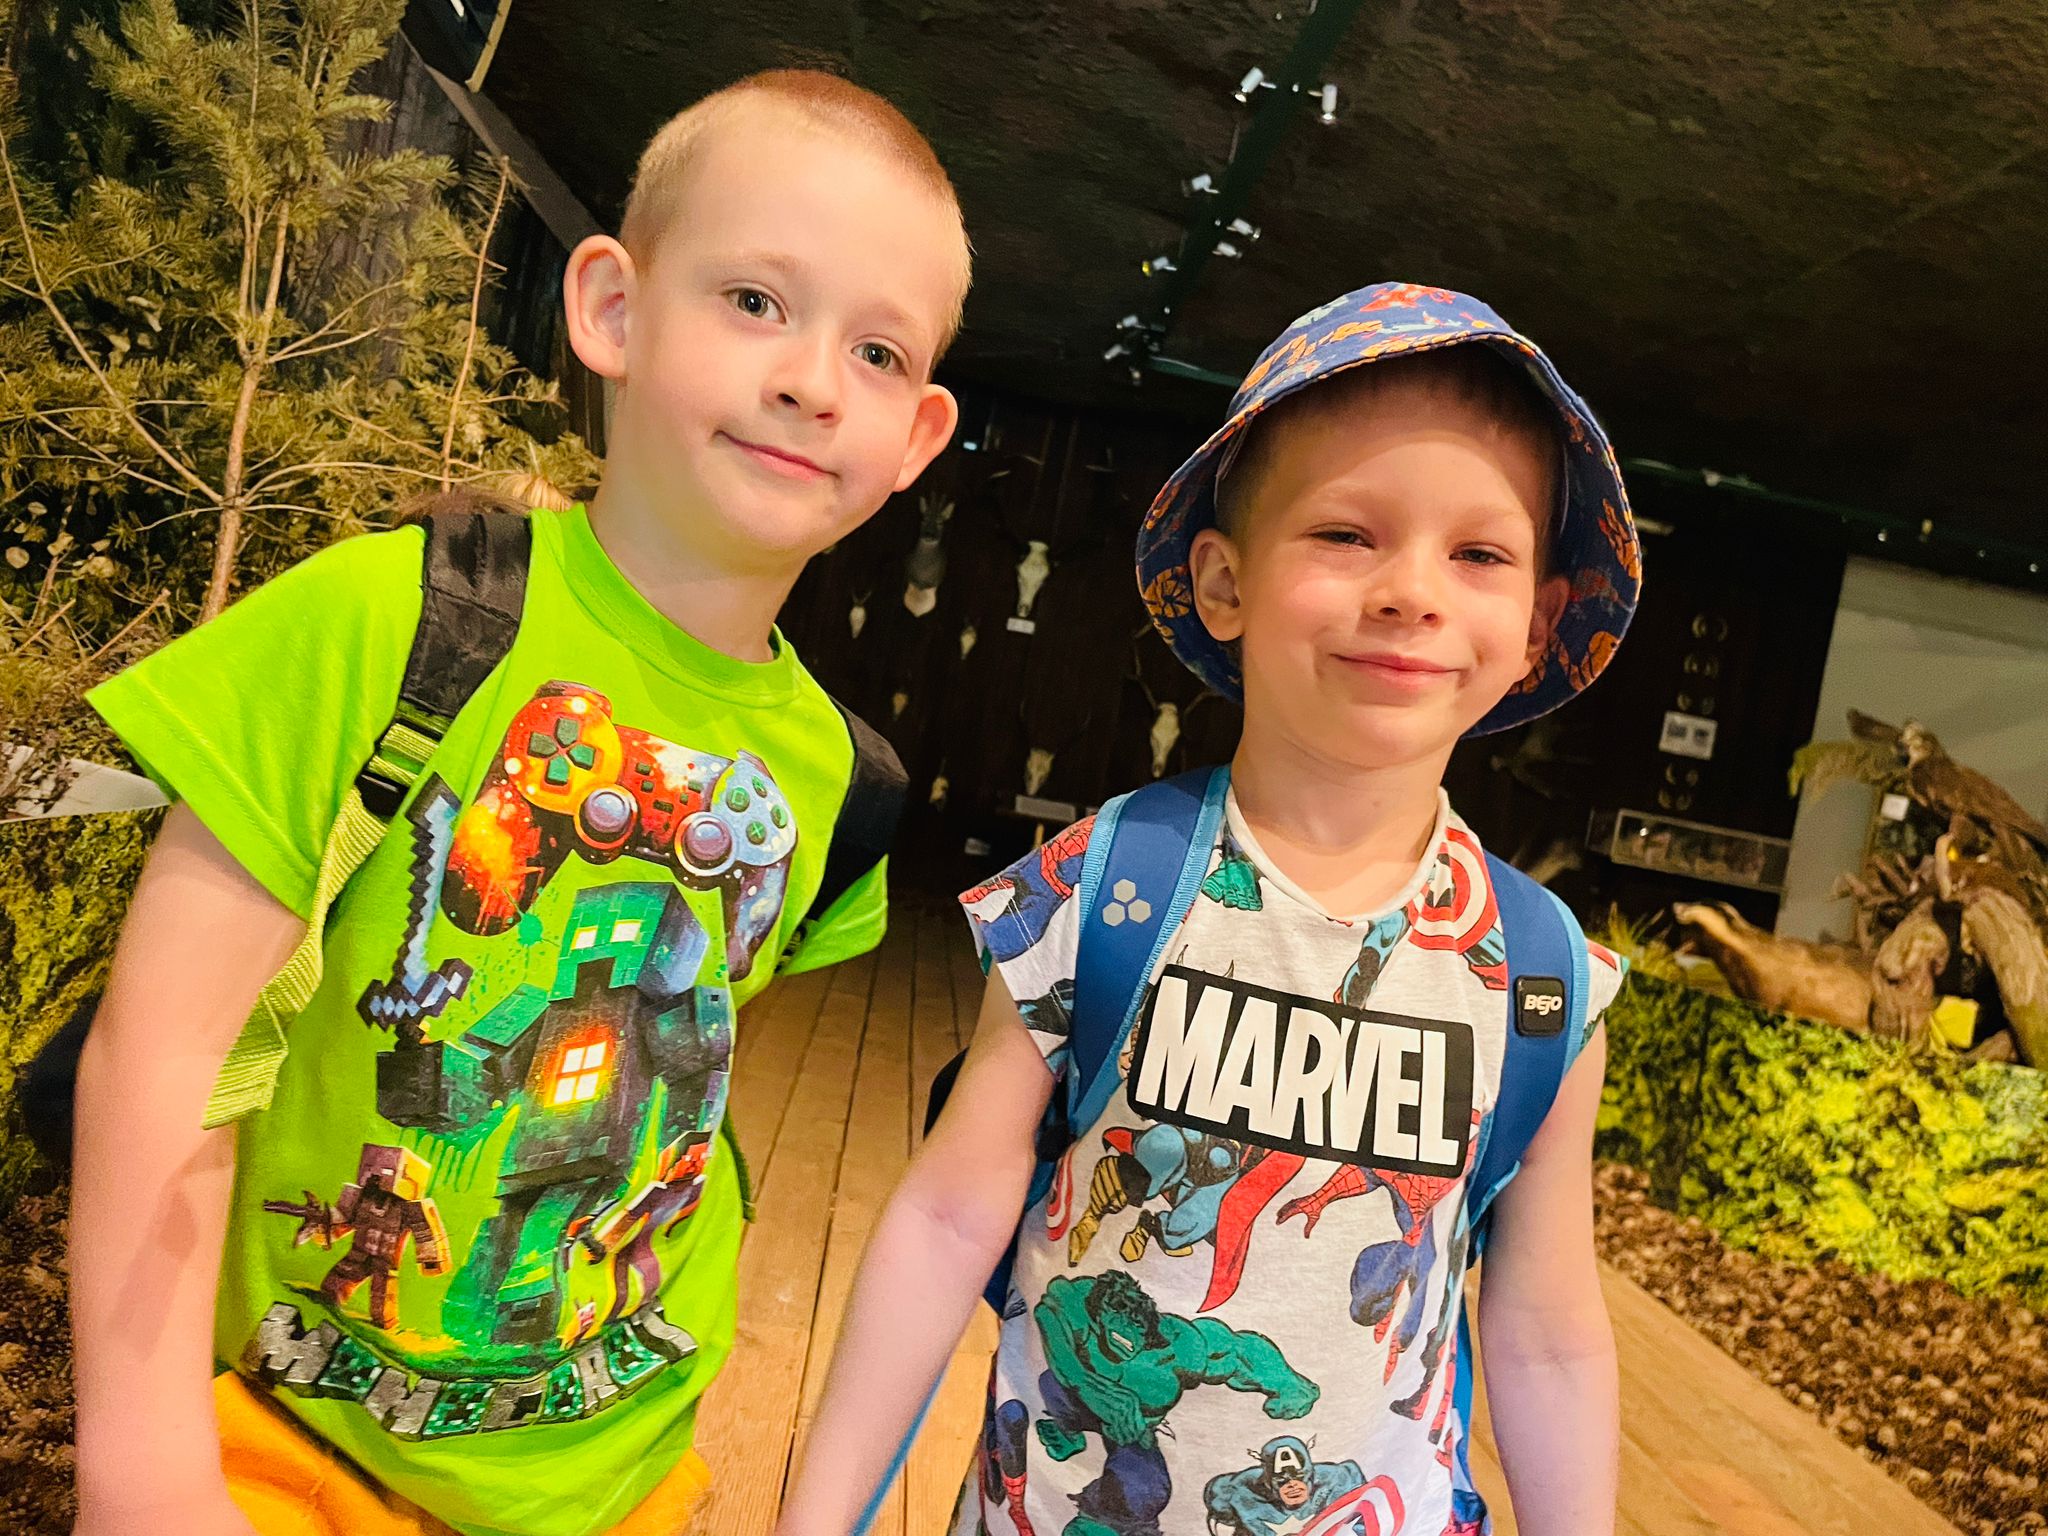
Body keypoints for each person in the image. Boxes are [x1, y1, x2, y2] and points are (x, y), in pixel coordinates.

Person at [69, 68, 969, 1536]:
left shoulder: (839, 780)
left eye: (877, 351)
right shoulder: (387, 622)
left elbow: (694, 1079)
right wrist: (140, 1465)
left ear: (917, 438)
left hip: (624, 1474)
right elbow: (163, 1051)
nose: (813, 380)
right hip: (293, 1451)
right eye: (755, 300)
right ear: (612, 309)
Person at [775, 283, 1642, 1536]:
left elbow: (1549, 1336)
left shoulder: (1541, 978)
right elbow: (946, 1216)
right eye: (1344, 534)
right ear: (1224, 582)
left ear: (1534, 627)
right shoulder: (1102, 886)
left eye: (1478, 554)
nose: (1410, 590)